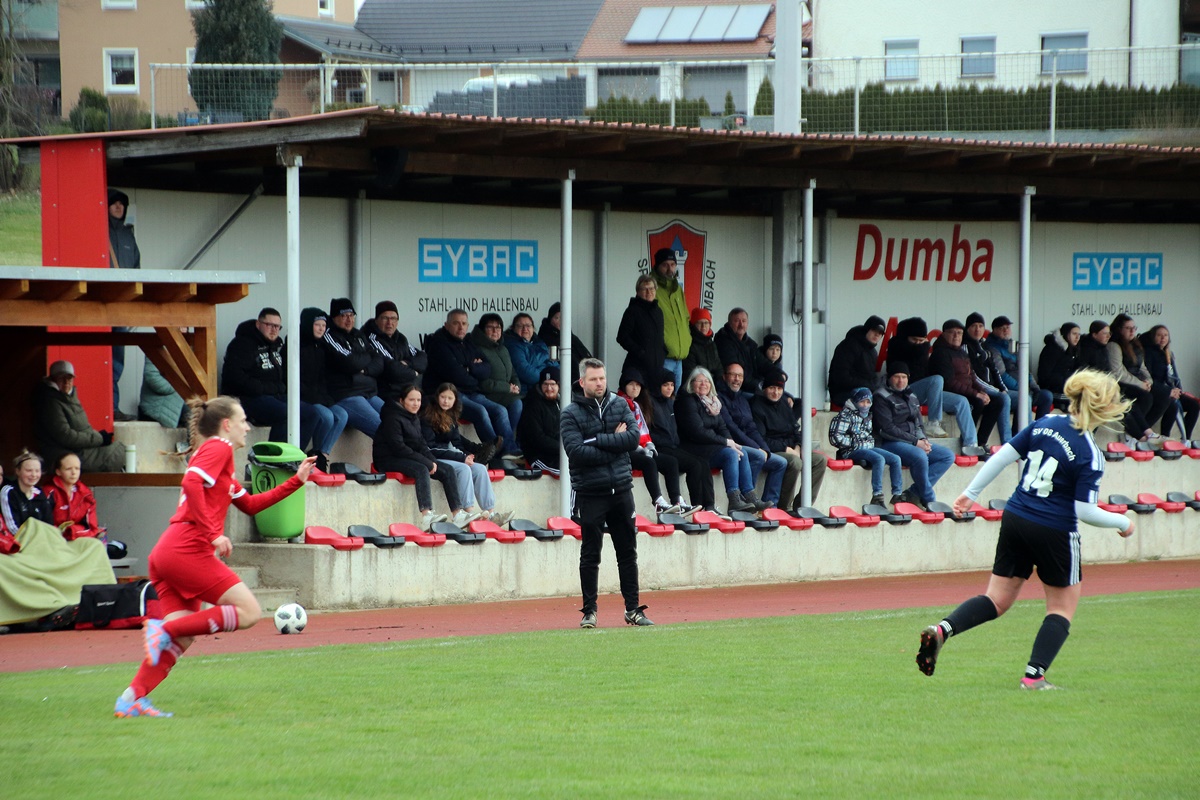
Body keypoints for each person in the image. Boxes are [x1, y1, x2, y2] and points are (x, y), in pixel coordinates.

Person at [917, 370, 1136, 690]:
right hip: (1055, 529)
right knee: (1061, 608)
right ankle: (1034, 676)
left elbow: (1002, 456)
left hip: (1016, 517)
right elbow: (1083, 510)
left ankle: (942, 630)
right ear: (1105, 408)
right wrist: (1123, 522)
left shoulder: (1044, 423)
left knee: (996, 599)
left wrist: (970, 493)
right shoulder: (1090, 453)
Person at [115, 397, 316, 718]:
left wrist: (296, 481)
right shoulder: (219, 447)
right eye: (243, 420)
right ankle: (161, 630)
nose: (248, 426)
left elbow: (249, 504)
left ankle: (131, 698)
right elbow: (192, 482)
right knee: (249, 612)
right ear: (226, 425)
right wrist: (212, 533)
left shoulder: (221, 464)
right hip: (187, 549)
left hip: (168, 553)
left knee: (186, 635)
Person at [561, 357, 652, 629]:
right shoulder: (570, 413)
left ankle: (633, 609)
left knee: (628, 552)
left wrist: (598, 440)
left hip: (622, 490)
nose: (599, 383)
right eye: (593, 379)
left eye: (602, 378)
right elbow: (577, 452)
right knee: (591, 554)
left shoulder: (620, 404)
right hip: (590, 492)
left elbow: (633, 440)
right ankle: (589, 611)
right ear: (582, 382)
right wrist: (614, 442)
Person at [423, 309, 515, 457]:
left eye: (464, 324)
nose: (461, 327)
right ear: (446, 325)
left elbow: (487, 368)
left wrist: (469, 368)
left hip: (472, 391)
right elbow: (456, 375)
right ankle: (496, 452)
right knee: (481, 412)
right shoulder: (439, 344)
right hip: (450, 395)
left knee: (500, 410)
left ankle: (510, 450)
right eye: (456, 323)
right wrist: (474, 372)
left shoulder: (468, 341)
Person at [676, 366, 765, 515]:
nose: (704, 384)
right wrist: (725, 442)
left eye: (707, 381)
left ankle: (749, 495)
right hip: (693, 448)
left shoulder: (713, 403)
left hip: (711, 445)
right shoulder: (687, 401)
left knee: (740, 452)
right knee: (730, 454)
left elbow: (722, 427)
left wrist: (730, 441)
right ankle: (734, 499)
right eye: (700, 381)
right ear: (691, 383)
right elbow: (697, 432)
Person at [422, 383, 512, 526]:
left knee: (480, 469)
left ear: (455, 400)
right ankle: (468, 512)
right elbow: (430, 448)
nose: (446, 401)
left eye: (450, 398)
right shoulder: (427, 416)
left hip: (452, 455)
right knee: (463, 468)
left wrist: (469, 456)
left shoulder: (451, 416)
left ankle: (491, 512)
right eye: (443, 397)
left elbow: (457, 444)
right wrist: (462, 458)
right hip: (435, 457)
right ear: (437, 397)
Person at [373, 385, 461, 531]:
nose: (416, 404)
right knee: (421, 469)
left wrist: (433, 461)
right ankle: (427, 515)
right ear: (402, 401)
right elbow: (398, 448)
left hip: (407, 456)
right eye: (411, 400)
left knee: (447, 469)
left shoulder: (414, 417)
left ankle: (458, 514)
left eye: (418, 400)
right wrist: (426, 462)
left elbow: (421, 444)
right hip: (388, 459)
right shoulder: (392, 417)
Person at [872, 362, 954, 511]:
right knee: (919, 456)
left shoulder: (911, 396)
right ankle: (929, 500)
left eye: (904, 377)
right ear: (889, 378)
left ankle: (913, 493)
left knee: (947, 456)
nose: (900, 381)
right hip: (889, 442)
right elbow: (887, 429)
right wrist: (916, 442)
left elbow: (919, 423)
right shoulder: (881, 396)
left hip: (913, 441)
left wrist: (924, 440)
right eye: (897, 377)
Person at [752, 369, 827, 509]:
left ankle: (803, 506)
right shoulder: (757, 406)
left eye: (779, 388)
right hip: (773, 450)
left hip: (792, 448)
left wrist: (799, 446)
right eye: (772, 388)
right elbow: (762, 440)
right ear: (765, 388)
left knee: (820, 460)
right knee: (795, 462)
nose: (776, 392)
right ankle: (784, 507)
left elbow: (795, 430)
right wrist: (786, 449)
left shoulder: (785, 405)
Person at [617, 368, 687, 515]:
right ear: (624, 385)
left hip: (641, 447)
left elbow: (643, 431)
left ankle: (677, 501)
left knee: (671, 462)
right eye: (631, 384)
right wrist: (640, 448)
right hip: (624, 450)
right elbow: (623, 433)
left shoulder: (636, 405)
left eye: (638, 384)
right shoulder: (618, 403)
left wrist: (648, 445)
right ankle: (659, 502)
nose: (635, 388)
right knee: (648, 462)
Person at [716, 363, 787, 509]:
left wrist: (765, 449)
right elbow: (732, 428)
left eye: (740, 376)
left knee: (781, 463)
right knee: (757, 455)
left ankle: (770, 508)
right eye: (733, 375)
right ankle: (747, 499)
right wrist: (757, 448)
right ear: (724, 377)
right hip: (732, 444)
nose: (737, 379)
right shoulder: (719, 398)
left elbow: (751, 428)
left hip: (747, 444)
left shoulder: (742, 400)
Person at [33, 360, 124, 473]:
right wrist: (99, 438)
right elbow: (66, 436)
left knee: (121, 450)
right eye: (62, 378)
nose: (66, 382)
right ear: (53, 380)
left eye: (69, 378)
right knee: (118, 453)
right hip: (65, 454)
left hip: (80, 449)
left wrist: (97, 437)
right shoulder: (50, 402)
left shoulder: (68, 397)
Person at [929, 320, 1004, 447]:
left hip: (966, 392)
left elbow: (972, 377)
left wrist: (981, 391)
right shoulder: (940, 352)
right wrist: (976, 394)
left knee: (997, 401)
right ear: (944, 334)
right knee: (977, 402)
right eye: (952, 333)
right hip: (948, 394)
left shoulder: (962, 353)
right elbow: (949, 383)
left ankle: (981, 442)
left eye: (959, 333)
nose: (956, 336)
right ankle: (967, 442)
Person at [827, 387, 903, 508]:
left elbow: (867, 434)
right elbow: (835, 437)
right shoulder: (845, 416)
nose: (865, 405)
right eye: (862, 402)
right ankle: (877, 495)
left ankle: (897, 495)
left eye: (868, 402)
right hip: (851, 451)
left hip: (868, 448)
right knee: (879, 459)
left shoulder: (868, 416)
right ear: (855, 401)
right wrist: (854, 443)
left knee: (895, 459)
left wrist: (867, 442)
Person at [647, 369, 710, 514]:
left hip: (672, 446)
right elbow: (649, 431)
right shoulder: (650, 402)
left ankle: (703, 507)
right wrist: (666, 441)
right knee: (689, 464)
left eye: (672, 385)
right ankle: (683, 503)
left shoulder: (670, 402)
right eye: (666, 385)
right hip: (660, 447)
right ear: (658, 386)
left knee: (701, 463)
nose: (669, 388)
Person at [886, 316, 959, 440]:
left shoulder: (922, 350)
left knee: (961, 402)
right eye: (915, 340)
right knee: (937, 379)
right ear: (905, 338)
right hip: (905, 392)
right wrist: (921, 349)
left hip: (923, 393)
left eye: (922, 340)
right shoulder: (897, 348)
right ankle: (933, 423)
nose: (919, 344)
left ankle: (971, 443)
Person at [324, 298, 387, 437]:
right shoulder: (329, 336)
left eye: (351, 315)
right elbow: (351, 363)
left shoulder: (358, 335)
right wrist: (365, 357)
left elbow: (378, 360)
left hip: (369, 393)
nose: (349, 320)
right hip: (347, 395)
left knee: (398, 421)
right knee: (383, 429)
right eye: (344, 316)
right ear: (334, 317)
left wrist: (365, 369)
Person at [295, 307, 350, 468]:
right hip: (304, 398)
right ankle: (314, 456)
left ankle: (322, 454)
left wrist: (327, 398)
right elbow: (298, 381)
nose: (321, 329)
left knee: (342, 415)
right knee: (326, 416)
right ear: (307, 325)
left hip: (320, 397)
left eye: (323, 325)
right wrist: (319, 399)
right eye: (317, 325)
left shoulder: (322, 346)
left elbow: (323, 379)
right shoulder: (296, 345)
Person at [1107, 314, 1172, 445]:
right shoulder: (1114, 345)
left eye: (1134, 328)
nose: (1132, 331)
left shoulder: (1136, 345)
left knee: (1165, 396)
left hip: (1138, 383)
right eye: (1128, 328)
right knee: (1145, 398)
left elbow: (1142, 367)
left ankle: (1137, 432)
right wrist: (1140, 384)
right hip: (1122, 385)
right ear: (1119, 329)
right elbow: (1119, 372)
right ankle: (1141, 434)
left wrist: (1149, 382)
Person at [471, 313, 524, 456]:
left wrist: (516, 386)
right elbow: (482, 382)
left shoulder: (503, 349)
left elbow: (512, 372)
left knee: (518, 404)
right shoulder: (477, 349)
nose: (495, 331)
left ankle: (505, 443)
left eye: (498, 327)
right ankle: (508, 448)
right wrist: (507, 387)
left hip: (503, 393)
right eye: (490, 327)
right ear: (483, 330)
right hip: (486, 394)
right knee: (501, 411)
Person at [983, 315, 1054, 420]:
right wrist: (1021, 388)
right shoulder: (992, 347)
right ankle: (1023, 432)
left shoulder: (1013, 345)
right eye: (1002, 328)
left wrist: (1034, 387)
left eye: (1008, 327)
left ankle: (1039, 429)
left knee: (1046, 396)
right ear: (994, 330)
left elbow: (1025, 370)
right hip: (1009, 389)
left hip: (1024, 388)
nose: (1006, 330)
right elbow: (1002, 375)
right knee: (1025, 398)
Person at [108, 188, 140, 421]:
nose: (119, 207)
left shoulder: (129, 235)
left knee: (116, 360)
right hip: (98, 304)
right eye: (114, 203)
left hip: (122, 306)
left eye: (122, 204)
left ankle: (113, 408)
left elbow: (137, 270)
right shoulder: (98, 231)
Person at [362, 300, 427, 402]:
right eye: (385, 318)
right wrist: (414, 373)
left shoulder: (400, 338)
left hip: (408, 392)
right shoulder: (371, 338)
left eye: (393, 318)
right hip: (387, 393)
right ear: (376, 320)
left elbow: (422, 357)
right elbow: (393, 369)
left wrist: (407, 363)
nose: (390, 323)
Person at [1140, 324, 1198, 440]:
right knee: (1172, 405)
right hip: (1157, 390)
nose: (1163, 338)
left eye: (1165, 335)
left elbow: (1174, 376)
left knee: (1194, 405)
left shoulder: (1168, 354)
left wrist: (1178, 390)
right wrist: (1168, 391)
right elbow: (1149, 377)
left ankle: (1186, 438)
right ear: (1153, 337)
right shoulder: (1148, 353)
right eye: (1159, 335)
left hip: (1171, 390)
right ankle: (1165, 437)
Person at [963, 313, 1013, 443]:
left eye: (980, 326)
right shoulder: (966, 346)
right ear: (967, 328)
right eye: (974, 326)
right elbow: (971, 375)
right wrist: (996, 391)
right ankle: (1007, 442)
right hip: (977, 388)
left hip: (991, 388)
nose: (977, 329)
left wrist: (1002, 388)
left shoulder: (984, 346)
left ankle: (1022, 439)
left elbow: (995, 370)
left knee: (1023, 398)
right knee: (1003, 399)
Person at [616, 274, 667, 394]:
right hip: (638, 367)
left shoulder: (658, 311)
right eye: (645, 289)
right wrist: (640, 352)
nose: (649, 292)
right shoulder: (632, 311)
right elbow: (622, 337)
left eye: (652, 288)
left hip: (656, 367)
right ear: (638, 291)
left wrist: (663, 352)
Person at [43, 452, 108, 544]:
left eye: (77, 468)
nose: (74, 473)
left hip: (76, 538)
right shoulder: (48, 492)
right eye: (68, 469)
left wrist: (71, 531)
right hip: (51, 540)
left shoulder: (86, 495)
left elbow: (92, 528)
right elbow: (43, 524)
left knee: (96, 545)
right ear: (58, 471)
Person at [828, 315, 887, 408]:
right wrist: (869, 386)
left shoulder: (872, 352)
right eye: (874, 330)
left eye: (880, 333)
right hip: (842, 393)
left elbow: (871, 377)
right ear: (866, 329)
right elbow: (841, 378)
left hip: (865, 391)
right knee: (879, 405)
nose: (877, 335)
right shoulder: (848, 346)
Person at [651, 248, 690, 387]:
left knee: (673, 402)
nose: (670, 269)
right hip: (663, 358)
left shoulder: (677, 289)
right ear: (657, 266)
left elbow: (685, 318)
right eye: (665, 265)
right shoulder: (652, 287)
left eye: (673, 264)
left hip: (679, 358)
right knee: (660, 400)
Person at [516, 366, 562, 476]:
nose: (549, 388)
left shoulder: (561, 403)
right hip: (539, 456)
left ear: (559, 386)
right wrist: (562, 447)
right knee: (568, 472)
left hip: (559, 454)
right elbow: (537, 439)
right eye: (545, 384)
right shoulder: (532, 405)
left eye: (552, 384)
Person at [1, 451, 55, 535]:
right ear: (18, 471)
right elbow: (12, 528)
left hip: (43, 539)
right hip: (22, 541)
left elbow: (49, 523)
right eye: (29, 470)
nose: (34, 475)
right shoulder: (9, 492)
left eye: (37, 471)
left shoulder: (40, 493)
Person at [538, 302, 593, 385]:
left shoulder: (570, 336)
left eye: (563, 317)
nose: (561, 321)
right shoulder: (546, 337)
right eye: (557, 318)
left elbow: (587, 356)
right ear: (550, 319)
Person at [504, 312, 556, 395]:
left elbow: (554, 364)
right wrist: (546, 376)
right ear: (513, 328)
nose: (525, 329)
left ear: (533, 328)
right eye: (520, 326)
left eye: (528, 326)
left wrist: (550, 375)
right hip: (526, 392)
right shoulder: (512, 345)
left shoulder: (539, 342)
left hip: (544, 389)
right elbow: (526, 373)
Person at [714, 307, 766, 389]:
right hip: (736, 389)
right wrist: (760, 385)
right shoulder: (723, 342)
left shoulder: (751, 344)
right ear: (729, 323)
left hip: (752, 386)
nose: (741, 325)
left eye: (744, 321)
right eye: (737, 321)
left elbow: (764, 363)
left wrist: (778, 375)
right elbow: (738, 376)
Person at [138, 360, 188, 429]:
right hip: (156, 407)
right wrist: (178, 385)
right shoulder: (154, 350)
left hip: (178, 403)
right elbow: (154, 379)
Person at [1038, 322, 1082, 397]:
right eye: (1074, 334)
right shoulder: (1052, 349)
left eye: (1079, 334)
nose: (1077, 337)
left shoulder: (1074, 349)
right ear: (1065, 334)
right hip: (1053, 388)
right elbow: (1044, 375)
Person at [682, 307, 722, 384]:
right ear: (694, 324)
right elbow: (690, 373)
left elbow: (718, 368)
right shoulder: (689, 343)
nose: (703, 326)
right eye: (699, 323)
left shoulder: (712, 344)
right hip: (696, 386)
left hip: (711, 386)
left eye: (706, 323)